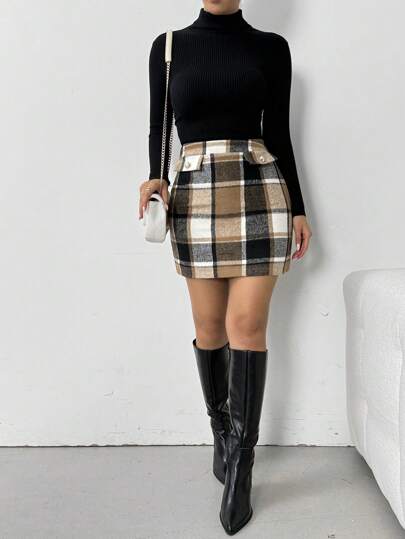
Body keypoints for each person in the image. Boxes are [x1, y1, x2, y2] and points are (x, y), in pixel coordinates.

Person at [139, 0, 312, 534]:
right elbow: (159, 128)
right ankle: (221, 431)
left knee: (247, 325)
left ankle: (241, 464)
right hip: (194, 194)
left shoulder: (271, 48)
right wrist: (153, 177)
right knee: (210, 328)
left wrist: (299, 208)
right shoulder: (168, 47)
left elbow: (278, 132)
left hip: (260, 189)